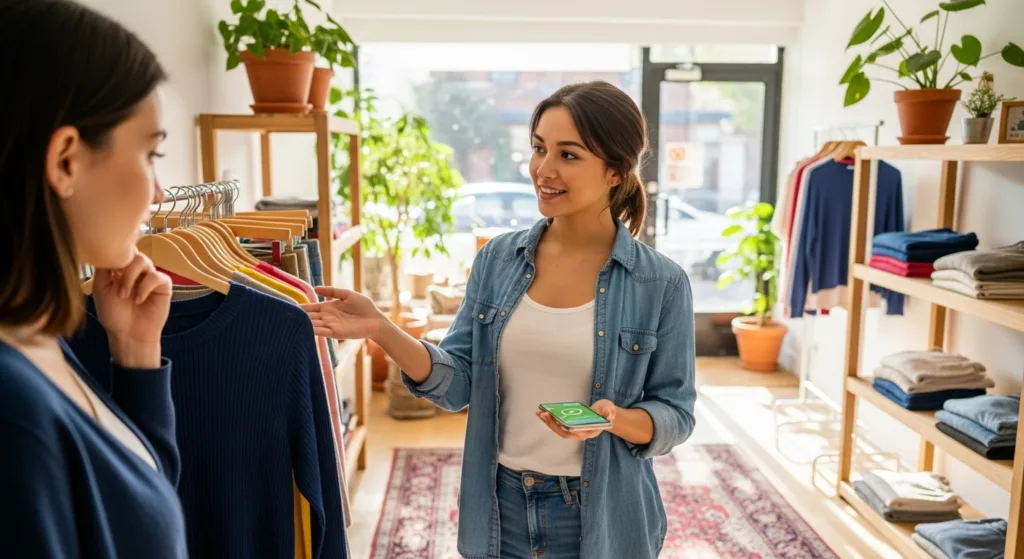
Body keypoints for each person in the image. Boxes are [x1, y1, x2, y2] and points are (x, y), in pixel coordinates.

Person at [305, 81, 696, 558]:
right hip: (499, 507)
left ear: (615, 171)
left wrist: (614, 421)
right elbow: (457, 384)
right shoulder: (498, 261)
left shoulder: (661, 284)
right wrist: (382, 330)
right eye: (538, 148)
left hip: (602, 520)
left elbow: (675, 415)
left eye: (568, 155)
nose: (543, 170)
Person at [0, 0, 186, 556]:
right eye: (150, 154)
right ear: (65, 161)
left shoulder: (39, 339)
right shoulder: (13, 416)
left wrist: (136, 351)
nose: (158, 193)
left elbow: (139, 505)